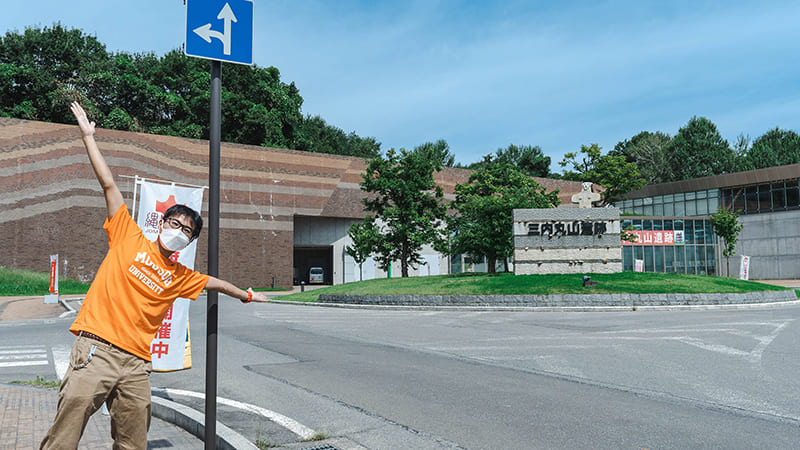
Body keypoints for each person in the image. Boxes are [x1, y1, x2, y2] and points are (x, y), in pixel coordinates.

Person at [40, 101, 270, 450]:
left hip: (136, 366)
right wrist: (88, 137)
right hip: (96, 351)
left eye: (187, 231)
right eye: (174, 223)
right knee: (65, 436)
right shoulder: (127, 235)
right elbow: (108, 185)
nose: (178, 230)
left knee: (133, 443)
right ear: (161, 223)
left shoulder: (180, 275)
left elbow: (216, 282)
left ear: (189, 241)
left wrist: (247, 295)